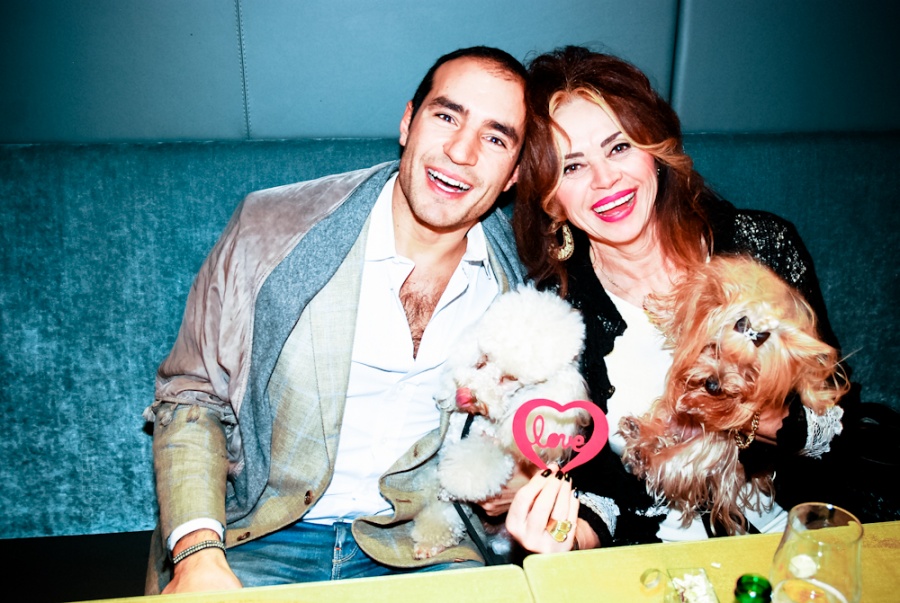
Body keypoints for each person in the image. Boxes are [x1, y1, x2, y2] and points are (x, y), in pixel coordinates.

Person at [144, 46, 529, 594]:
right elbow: (191, 398)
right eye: (447, 116)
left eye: (495, 139)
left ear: (515, 173)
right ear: (408, 122)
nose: (460, 152)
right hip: (257, 536)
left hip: (423, 545)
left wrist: (518, 473)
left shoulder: (520, 283)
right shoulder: (270, 229)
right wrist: (198, 555)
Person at [505, 46, 852, 550]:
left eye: (619, 147)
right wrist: (565, 535)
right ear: (549, 199)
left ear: (656, 151)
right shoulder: (557, 312)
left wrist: (736, 412)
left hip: (793, 537)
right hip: (656, 555)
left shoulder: (761, 247)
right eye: (572, 167)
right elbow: (599, 491)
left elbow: (836, 428)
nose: (606, 180)